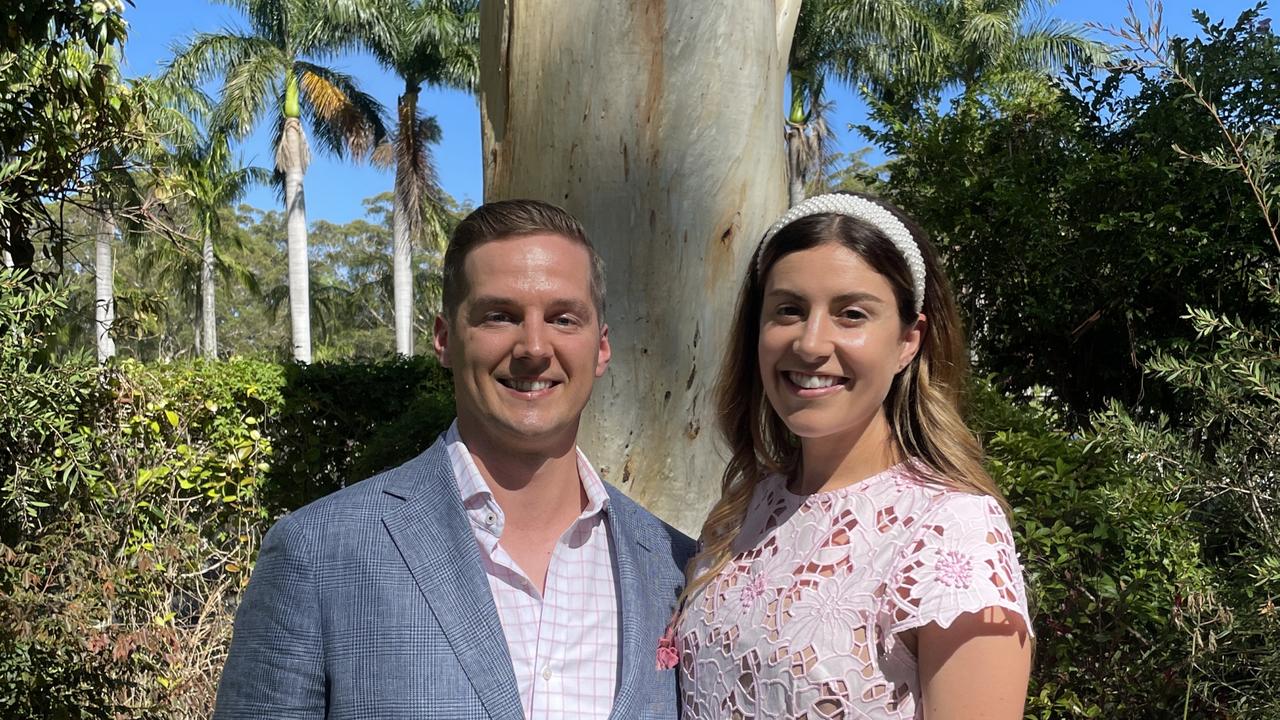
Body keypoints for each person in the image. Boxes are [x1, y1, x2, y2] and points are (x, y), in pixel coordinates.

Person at [214, 199, 696, 720]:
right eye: (499, 316)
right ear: (445, 340)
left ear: (600, 349)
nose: (534, 346)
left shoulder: (677, 567)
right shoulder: (319, 554)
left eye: (562, 318)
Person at [675, 192, 1033, 719]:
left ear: (909, 340)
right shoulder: (743, 510)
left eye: (851, 314)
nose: (812, 343)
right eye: (789, 310)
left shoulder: (949, 531)